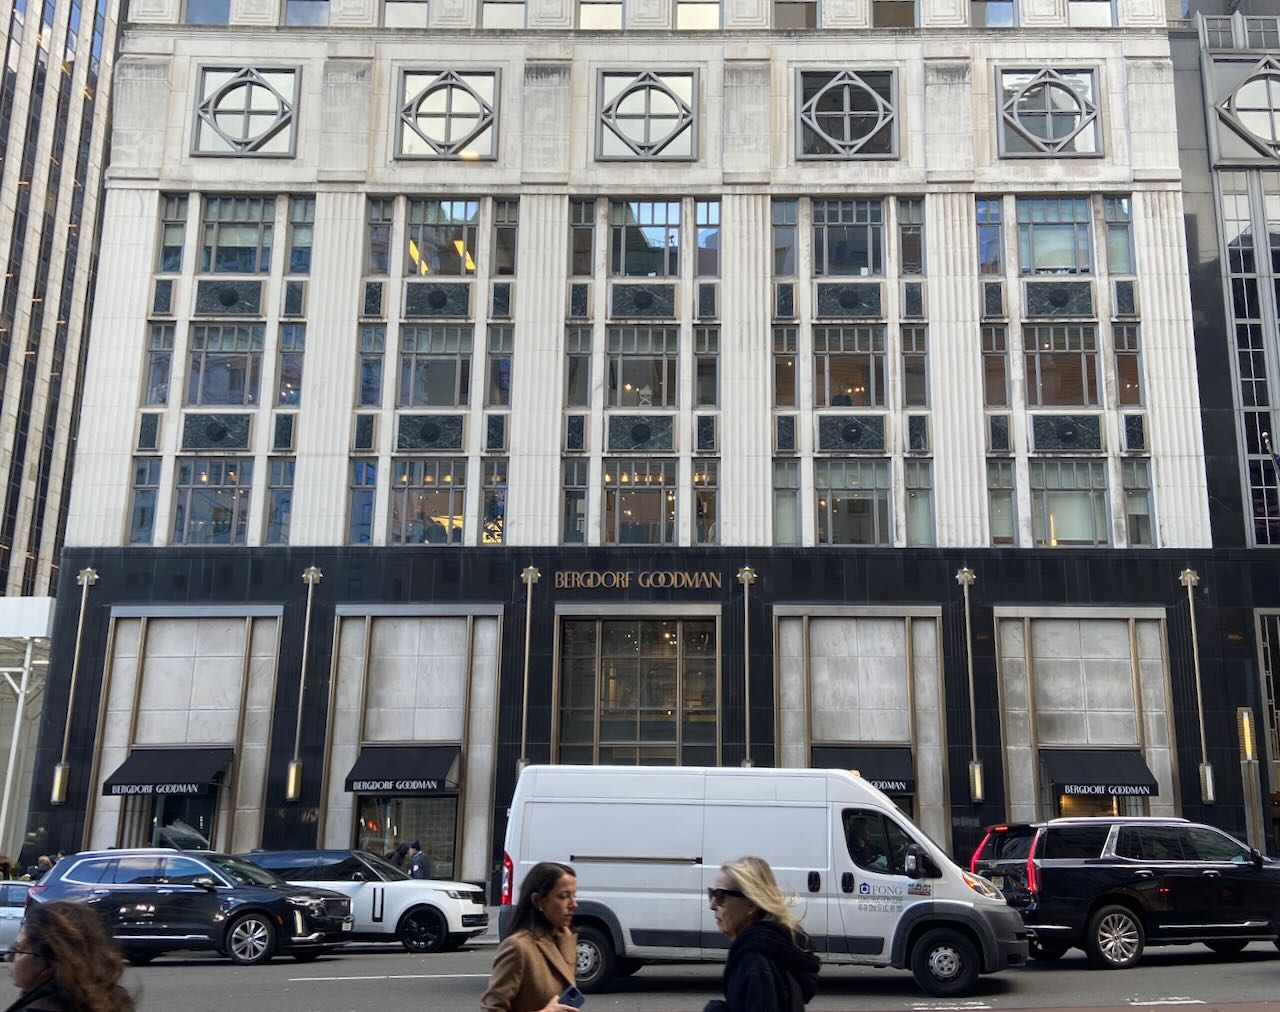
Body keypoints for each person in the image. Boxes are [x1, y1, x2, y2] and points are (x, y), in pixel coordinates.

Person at [703, 856, 820, 1012]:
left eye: (720, 896)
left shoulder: (754, 963)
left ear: (751, 904)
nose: (712, 905)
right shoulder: (775, 949)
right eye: (712, 894)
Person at [481, 861, 580, 1012]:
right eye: (563, 896)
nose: (573, 904)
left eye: (574, 895)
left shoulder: (566, 938)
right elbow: (492, 1008)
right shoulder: (518, 947)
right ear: (538, 900)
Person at [4, 899, 135, 1011]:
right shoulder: (113, 999)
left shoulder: (40, 1008)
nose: (8, 957)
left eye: (18, 949)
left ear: (47, 962)